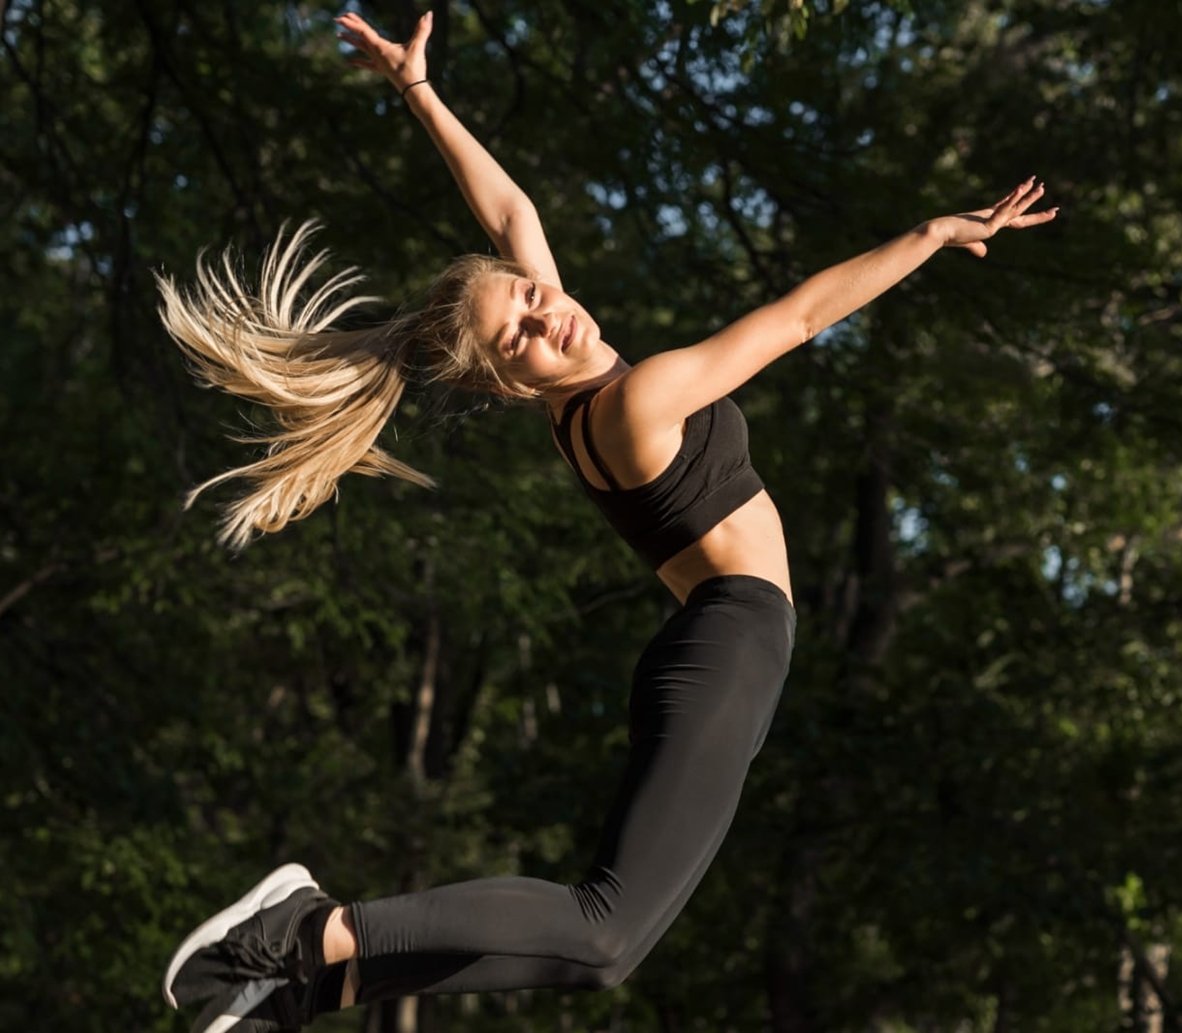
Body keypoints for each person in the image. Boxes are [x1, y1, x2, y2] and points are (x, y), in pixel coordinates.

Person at [156, 10, 1058, 1032]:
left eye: (536, 296)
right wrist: (930, 235)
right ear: (505, 379)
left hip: (725, 648)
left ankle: (328, 981)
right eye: (525, 332)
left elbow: (509, 210)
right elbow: (802, 317)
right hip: (730, 638)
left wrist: (418, 90)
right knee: (601, 931)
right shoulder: (639, 401)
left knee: (604, 949)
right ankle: (305, 930)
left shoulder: (574, 388)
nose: (551, 313)